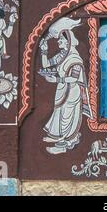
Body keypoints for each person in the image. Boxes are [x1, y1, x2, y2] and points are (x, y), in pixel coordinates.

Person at [40, 17, 93, 155]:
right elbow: (46, 64)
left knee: (67, 117)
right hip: (63, 90)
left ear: (68, 41)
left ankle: (64, 144)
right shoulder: (62, 55)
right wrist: (44, 51)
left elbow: (74, 78)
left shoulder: (74, 58)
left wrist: (57, 79)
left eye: (61, 40)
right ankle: (56, 136)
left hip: (72, 92)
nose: (58, 42)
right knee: (59, 113)